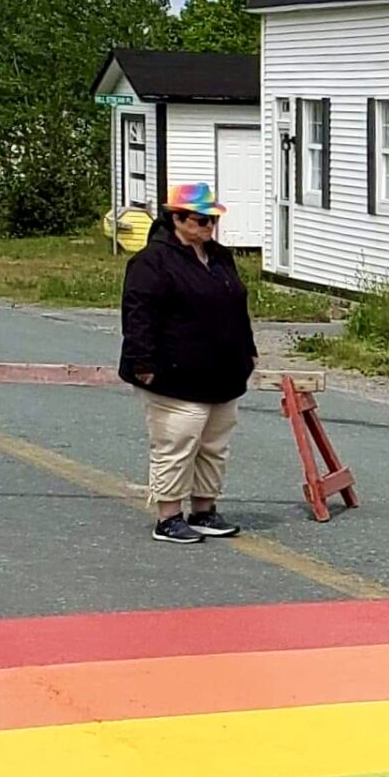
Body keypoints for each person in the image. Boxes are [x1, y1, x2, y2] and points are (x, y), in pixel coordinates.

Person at [117, 182, 256, 546]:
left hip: (223, 371)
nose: (208, 226)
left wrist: (249, 350)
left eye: (212, 219)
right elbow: (138, 314)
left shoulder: (221, 257)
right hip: (173, 373)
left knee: (214, 444)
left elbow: (236, 308)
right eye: (200, 219)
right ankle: (168, 517)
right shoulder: (151, 261)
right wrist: (142, 361)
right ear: (176, 219)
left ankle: (204, 510)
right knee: (176, 443)